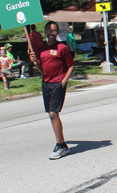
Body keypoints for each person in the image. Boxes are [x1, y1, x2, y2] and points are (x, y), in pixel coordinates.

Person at [29, 21, 76, 159]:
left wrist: (63, 82)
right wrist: (35, 61)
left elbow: (71, 66)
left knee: (53, 114)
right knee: (52, 114)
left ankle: (59, 145)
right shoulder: (41, 49)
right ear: (45, 32)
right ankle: (63, 145)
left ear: (57, 32)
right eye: (49, 30)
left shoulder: (62, 48)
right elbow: (42, 69)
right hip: (46, 83)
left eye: (54, 30)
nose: (51, 33)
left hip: (57, 83)